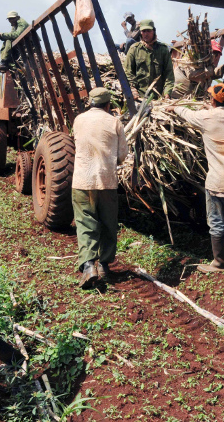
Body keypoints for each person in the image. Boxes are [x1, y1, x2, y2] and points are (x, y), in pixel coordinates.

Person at [166, 83, 224, 282]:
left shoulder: (206, 118)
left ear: (212, 100)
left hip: (218, 182)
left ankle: (219, 263)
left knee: (216, 223)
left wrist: (173, 107)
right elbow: (221, 113)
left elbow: (186, 114)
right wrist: (212, 109)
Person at [72, 87, 129, 289]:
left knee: (86, 222)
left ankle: (88, 266)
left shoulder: (79, 120)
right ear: (108, 105)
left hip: (82, 181)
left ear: (91, 103)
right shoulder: (114, 122)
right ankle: (104, 265)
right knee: (107, 222)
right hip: (106, 181)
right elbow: (122, 155)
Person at [123, 19, 174, 100]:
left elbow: (169, 74)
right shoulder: (134, 49)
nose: (146, 34)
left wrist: (167, 93)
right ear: (140, 32)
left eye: (149, 31)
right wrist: (133, 89)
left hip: (158, 97)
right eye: (144, 31)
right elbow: (128, 71)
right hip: (139, 97)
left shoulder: (163, 50)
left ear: (153, 31)